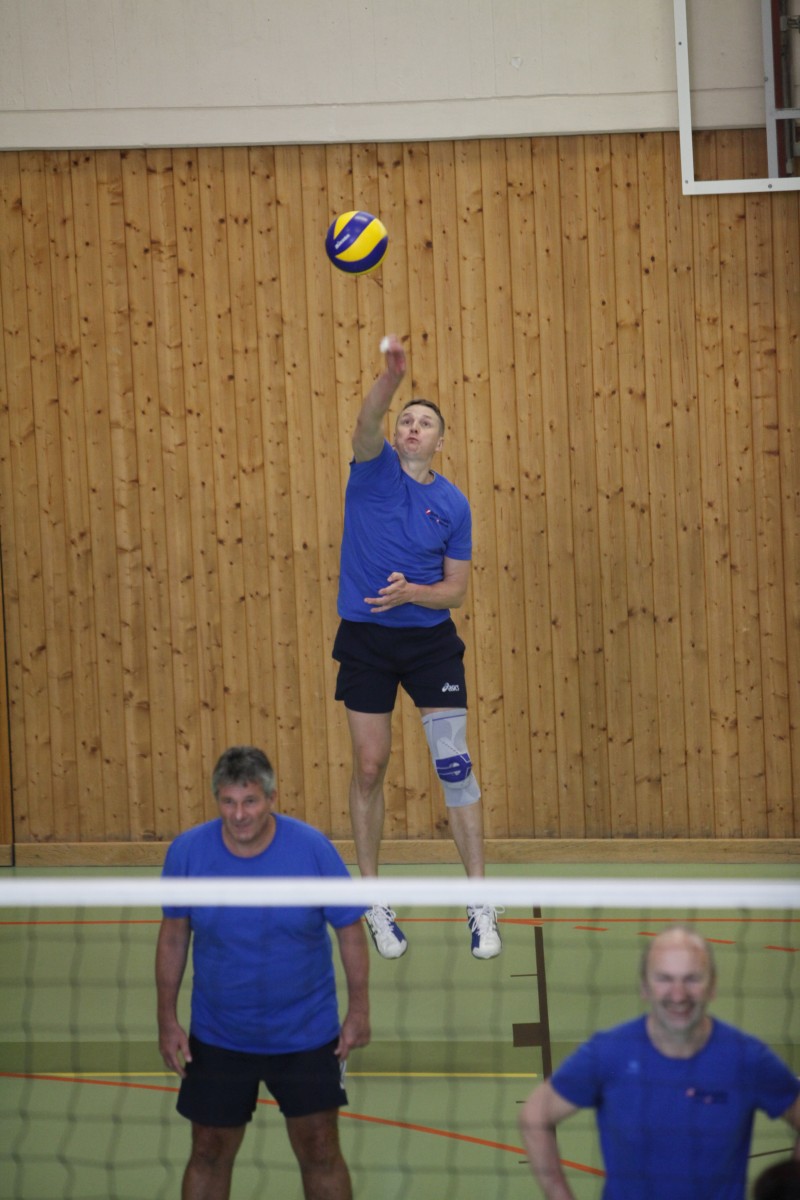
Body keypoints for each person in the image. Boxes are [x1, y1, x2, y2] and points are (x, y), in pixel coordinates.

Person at [332, 332, 501, 962]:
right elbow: (366, 419)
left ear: (440, 441)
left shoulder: (452, 504)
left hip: (429, 644)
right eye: (406, 419)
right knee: (369, 766)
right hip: (366, 640)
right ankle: (373, 899)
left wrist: (414, 594)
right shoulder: (370, 468)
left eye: (424, 422)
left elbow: (455, 591)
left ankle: (479, 901)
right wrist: (391, 379)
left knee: (454, 764)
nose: (411, 426)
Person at [156, 745, 370, 1200]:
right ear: (217, 799)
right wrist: (166, 1019)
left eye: (250, 801)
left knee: (321, 1149)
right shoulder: (188, 852)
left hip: (306, 1034)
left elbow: (350, 930)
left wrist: (359, 1011)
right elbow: (174, 935)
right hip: (219, 1035)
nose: (239, 814)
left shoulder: (312, 849)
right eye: (229, 802)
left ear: (271, 798)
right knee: (208, 1151)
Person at [519, 924, 800, 1200]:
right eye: (664, 978)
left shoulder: (746, 1059)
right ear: (644, 986)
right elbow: (534, 1116)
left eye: (692, 979)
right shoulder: (609, 1053)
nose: (678, 995)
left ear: (712, 985)